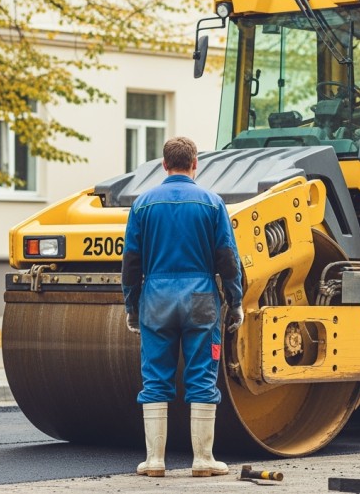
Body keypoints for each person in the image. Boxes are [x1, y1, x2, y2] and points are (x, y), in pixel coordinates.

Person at [121, 136, 244, 478]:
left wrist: (132, 305)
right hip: (201, 297)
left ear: (164, 165)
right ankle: (203, 460)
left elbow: (131, 262)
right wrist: (235, 301)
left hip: (156, 298)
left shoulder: (142, 204)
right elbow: (227, 258)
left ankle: (154, 461)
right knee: (202, 375)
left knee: (155, 377)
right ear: (195, 164)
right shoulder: (212, 203)